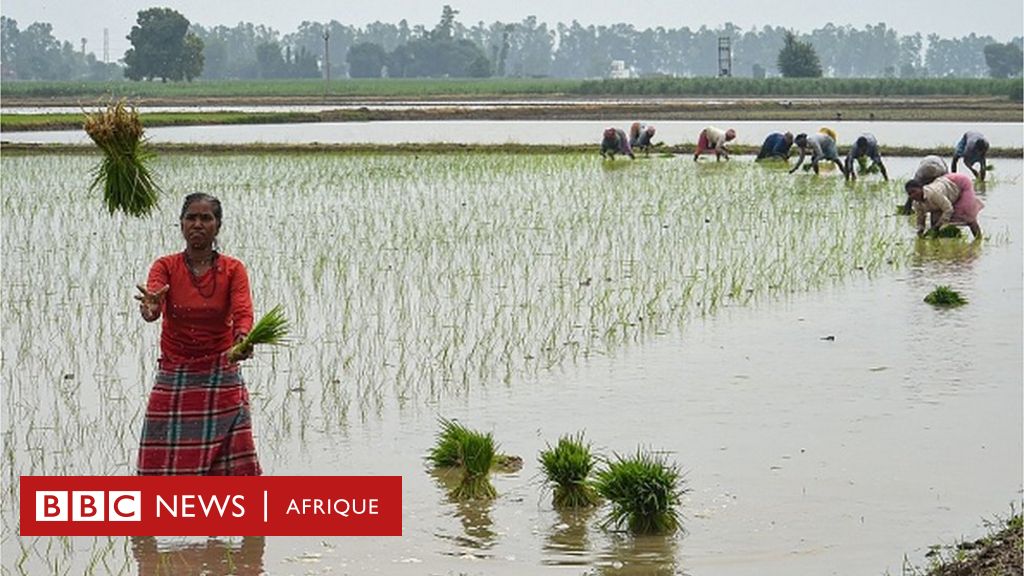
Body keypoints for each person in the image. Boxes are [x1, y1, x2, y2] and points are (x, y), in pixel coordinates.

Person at [135, 193, 261, 476]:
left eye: (206, 218)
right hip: (175, 372)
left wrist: (243, 339)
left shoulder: (233, 269)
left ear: (217, 226)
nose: (198, 224)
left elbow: (243, 311)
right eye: (191, 217)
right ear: (181, 224)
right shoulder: (165, 266)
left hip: (220, 371)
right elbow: (152, 306)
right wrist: (151, 305)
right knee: (158, 460)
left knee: (233, 462)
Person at [905, 173, 984, 239]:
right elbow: (920, 217)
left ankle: (978, 239)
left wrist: (937, 227)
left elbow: (948, 210)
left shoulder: (934, 194)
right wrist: (920, 231)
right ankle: (936, 250)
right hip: (944, 185)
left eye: (914, 191)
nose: (913, 195)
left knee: (968, 217)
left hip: (958, 183)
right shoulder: (917, 203)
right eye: (910, 194)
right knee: (935, 221)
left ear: (921, 188)